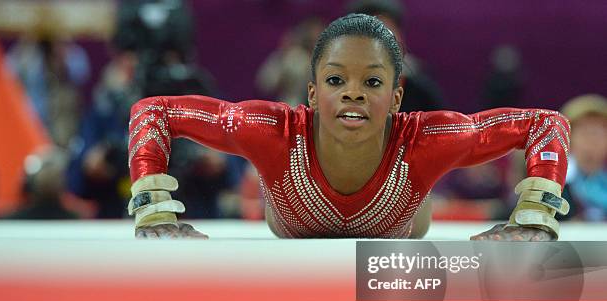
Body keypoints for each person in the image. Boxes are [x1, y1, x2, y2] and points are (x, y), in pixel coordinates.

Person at [127, 14, 570, 240]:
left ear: (396, 98)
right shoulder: (272, 131)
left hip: (406, 220)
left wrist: (534, 217)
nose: (353, 93)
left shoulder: (426, 140)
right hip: (290, 217)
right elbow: (153, 111)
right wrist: (153, 208)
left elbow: (547, 125)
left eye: (372, 82)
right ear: (313, 92)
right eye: (336, 79)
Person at [558, 94, 607, 221]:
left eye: (599, 131)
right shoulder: (553, 182)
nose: (593, 138)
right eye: (585, 131)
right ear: (568, 138)